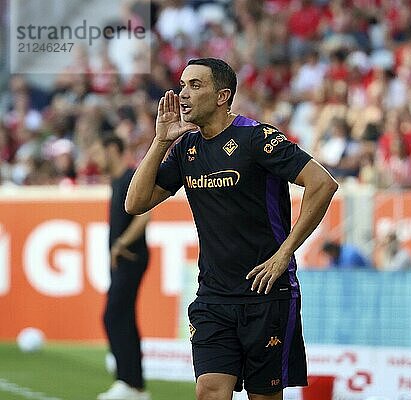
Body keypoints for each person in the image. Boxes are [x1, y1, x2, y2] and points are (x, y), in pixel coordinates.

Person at [125, 58, 338, 400]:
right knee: (209, 390)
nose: (183, 94)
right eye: (182, 85)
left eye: (195, 85)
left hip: (267, 292)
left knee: (263, 397)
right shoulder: (185, 149)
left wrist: (285, 253)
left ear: (222, 96)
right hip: (213, 295)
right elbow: (134, 203)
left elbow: (323, 184)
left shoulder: (257, 138)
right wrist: (161, 141)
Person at [95, 135, 151, 400]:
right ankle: (135, 386)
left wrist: (120, 245)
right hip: (124, 259)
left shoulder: (130, 177)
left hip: (131, 256)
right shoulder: (117, 180)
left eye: (99, 150)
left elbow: (145, 216)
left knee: (113, 316)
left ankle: (127, 382)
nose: (95, 158)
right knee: (124, 318)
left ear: (113, 149)